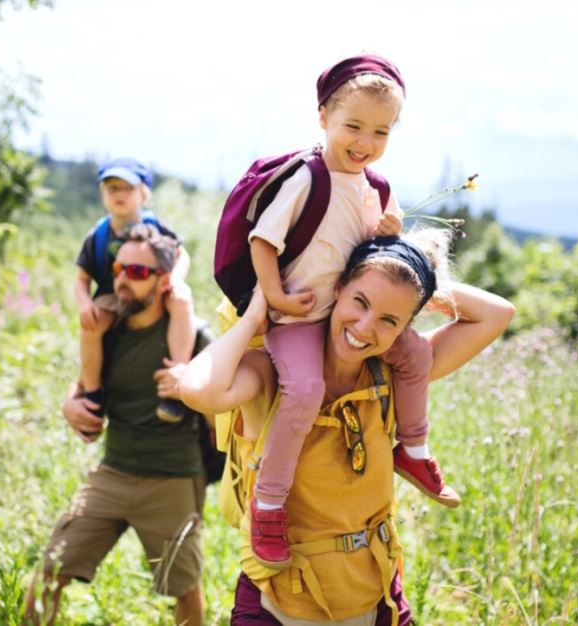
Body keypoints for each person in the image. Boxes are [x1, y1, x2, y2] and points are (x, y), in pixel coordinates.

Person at [181, 230, 515, 624]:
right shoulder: (273, 374)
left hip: (375, 600)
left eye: (389, 319)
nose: (365, 326)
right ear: (336, 288)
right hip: (277, 604)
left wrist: (414, 275)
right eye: (360, 301)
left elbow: (498, 314)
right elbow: (197, 390)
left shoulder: (394, 375)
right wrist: (255, 317)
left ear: (404, 327)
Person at [239, 54, 455, 569]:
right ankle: (268, 503)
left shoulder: (375, 186)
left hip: (346, 315)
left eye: (380, 132)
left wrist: (390, 230)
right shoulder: (306, 179)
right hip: (298, 317)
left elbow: (388, 241)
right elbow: (262, 241)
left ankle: (414, 449)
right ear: (323, 118)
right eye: (353, 126)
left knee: (415, 356)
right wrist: (276, 298)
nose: (365, 142)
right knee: (305, 390)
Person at [24, 225, 210, 626]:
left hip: (173, 478)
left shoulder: (194, 334)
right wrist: (69, 405)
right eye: (119, 268)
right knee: (47, 575)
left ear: (164, 281)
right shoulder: (108, 330)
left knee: (185, 588)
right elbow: (83, 386)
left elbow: (223, 405)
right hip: (113, 472)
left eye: (138, 272)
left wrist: (192, 389)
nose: (123, 279)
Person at [74, 158, 195, 424]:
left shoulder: (157, 226)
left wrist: (174, 279)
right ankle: (93, 393)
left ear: (143, 194)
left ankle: (176, 381)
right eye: (112, 188)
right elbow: (81, 278)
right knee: (91, 327)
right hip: (112, 294)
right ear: (102, 194)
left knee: (182, 302)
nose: (119, 195)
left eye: (127, 188)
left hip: (154, 288)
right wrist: (85, 304)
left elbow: (181, 255)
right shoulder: (98, 235)